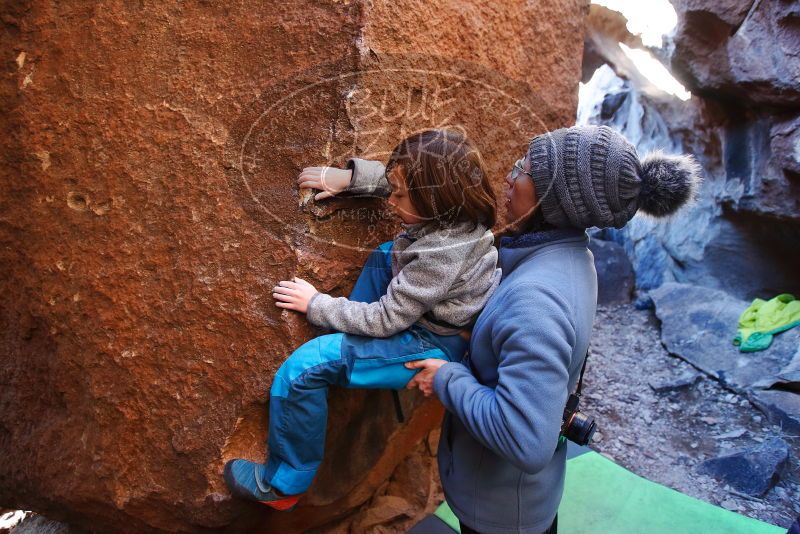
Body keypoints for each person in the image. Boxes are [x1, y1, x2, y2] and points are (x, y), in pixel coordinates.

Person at [404, 125, 701, 534]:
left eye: (522, 169)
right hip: (520, 497)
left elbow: (526, 441)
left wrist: (447, 377)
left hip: (501, 512)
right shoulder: (572, 256)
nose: (508, 177)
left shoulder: (535, 300)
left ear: (552, 196)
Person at [223, 129, 501, 511]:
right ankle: (353, 340)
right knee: (385, 253)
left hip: (430, 344)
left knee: (303, 369)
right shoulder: (454, 210)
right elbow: (414, 175)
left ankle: (284, 484)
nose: (392, 200)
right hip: (425, 315)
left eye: (400, 195)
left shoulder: (442, 254)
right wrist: (352, 179)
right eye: (392, 189)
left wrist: (318, 305)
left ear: (435, 201)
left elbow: (388, 318)